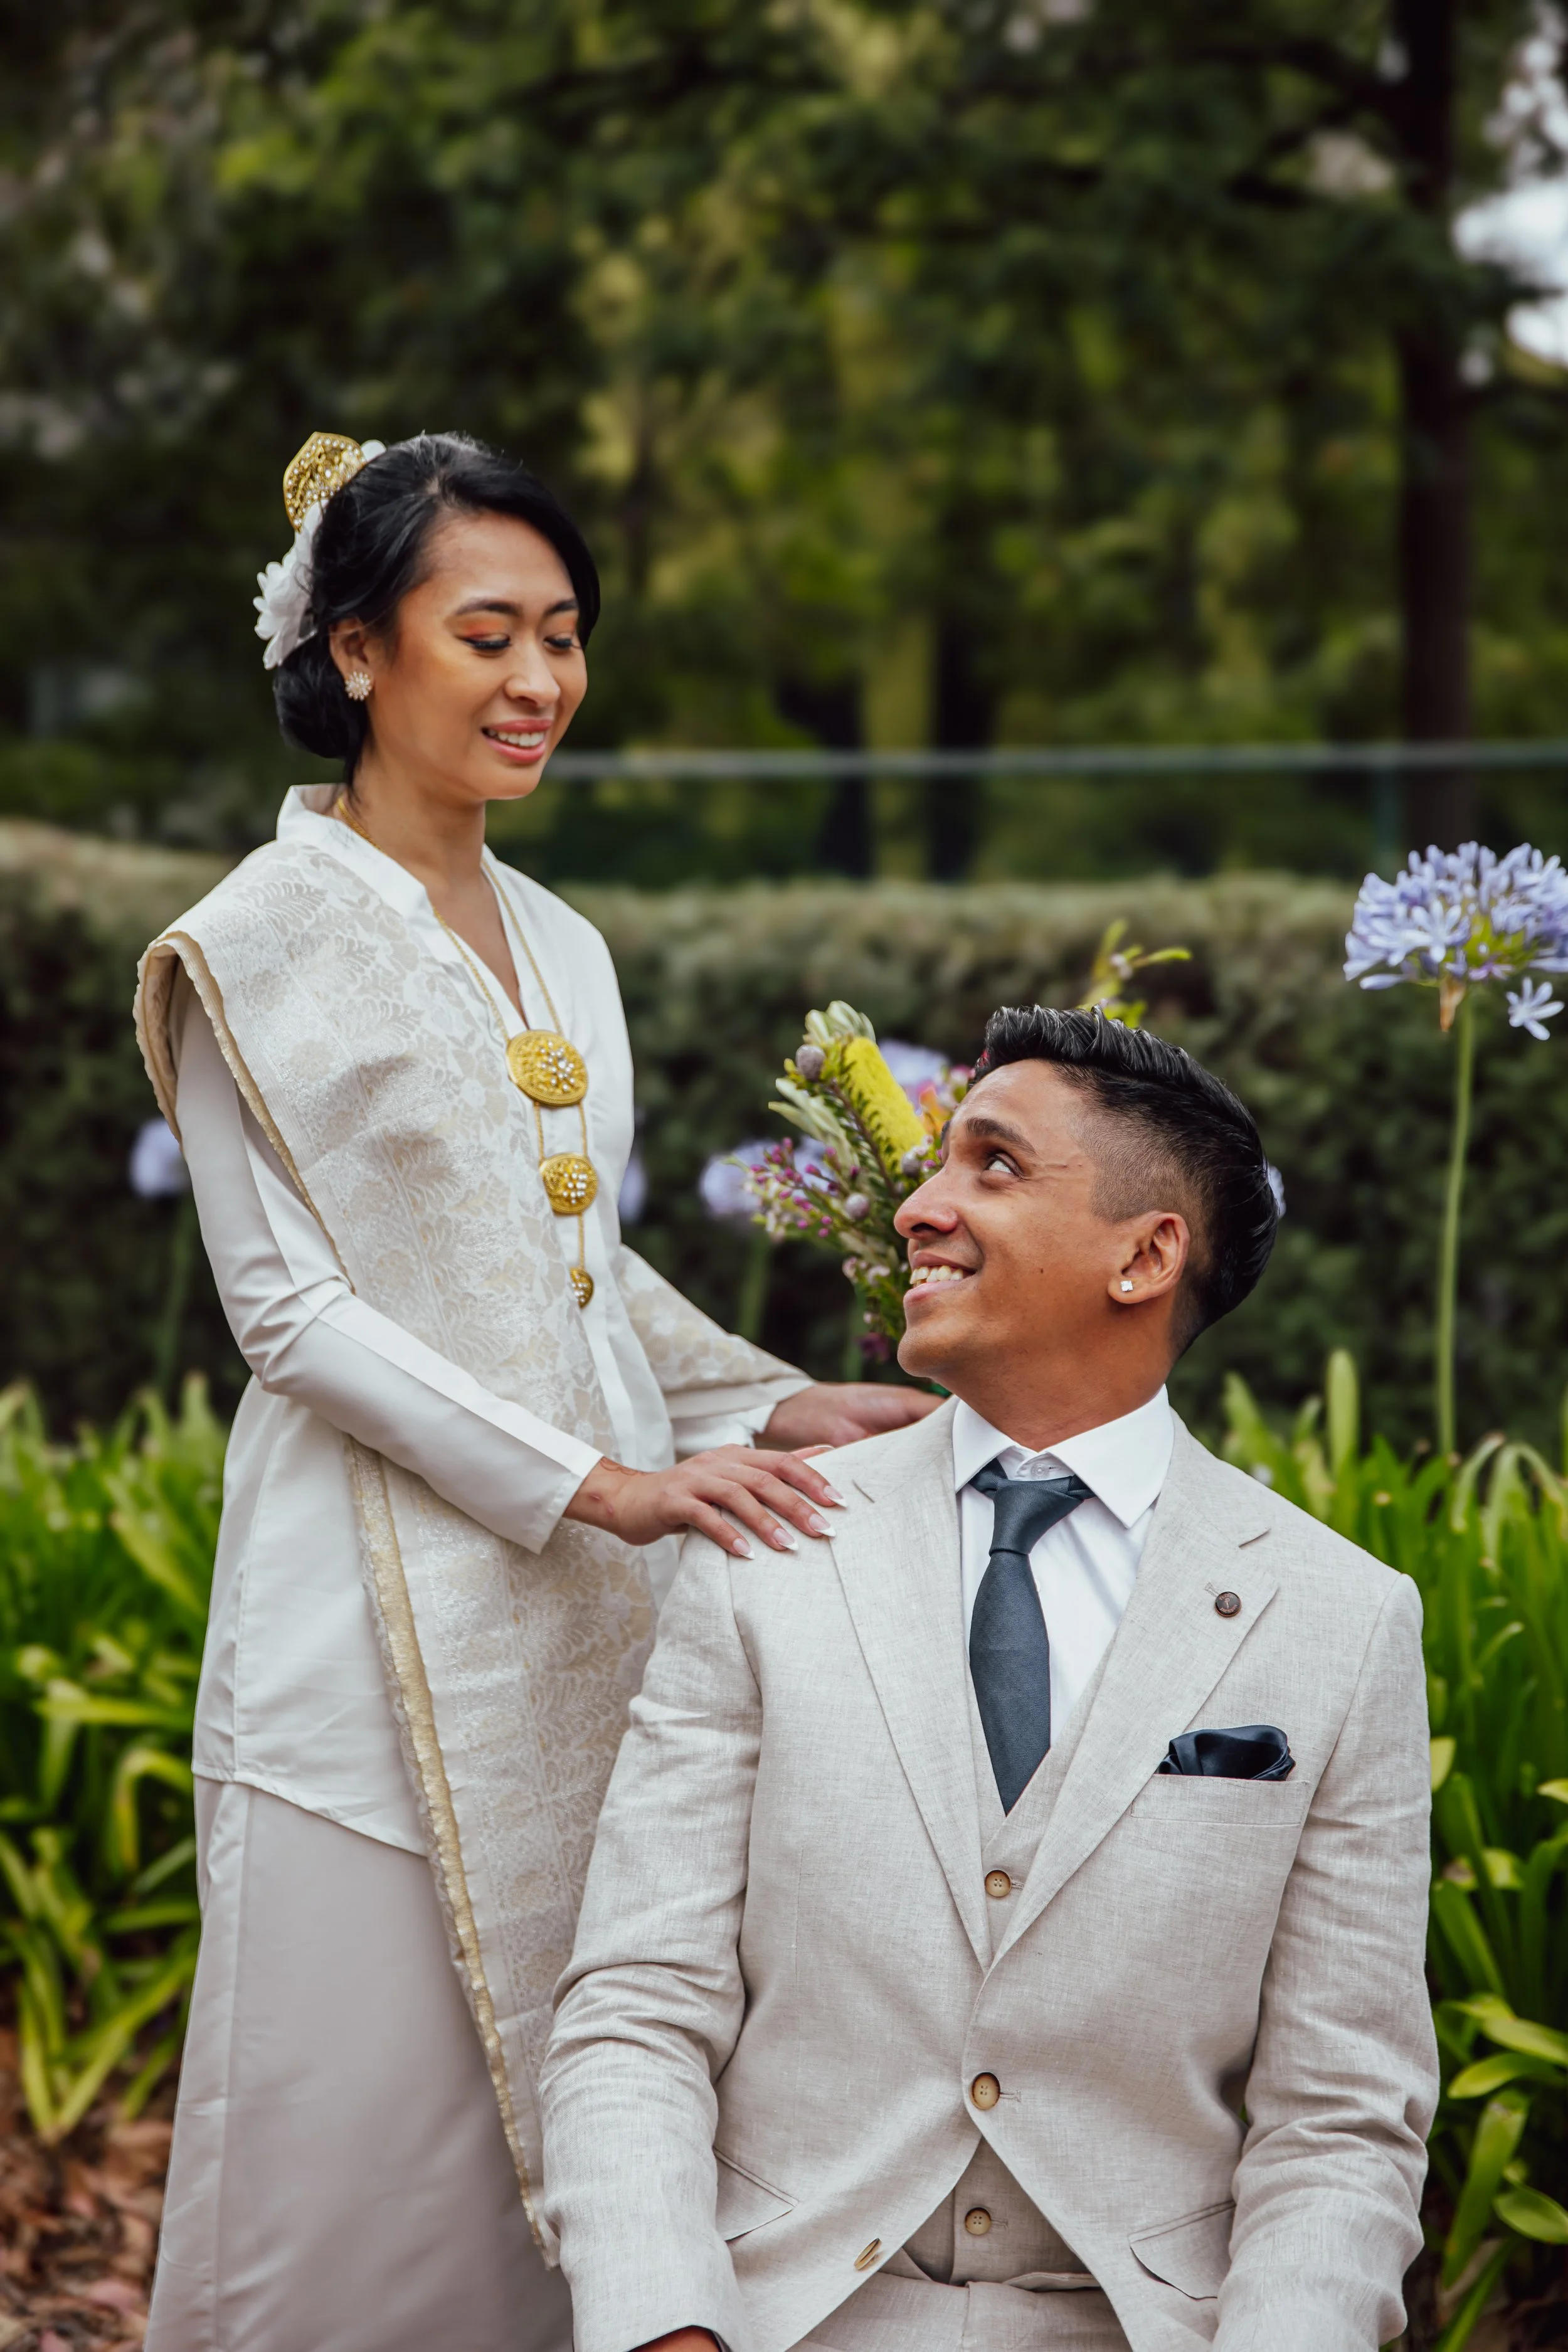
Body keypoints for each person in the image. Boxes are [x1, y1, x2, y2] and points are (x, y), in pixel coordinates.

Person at [132, 428, 935, 2352]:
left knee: (592, 2079)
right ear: (353, 652)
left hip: (581, 1595)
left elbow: (575, 1271)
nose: (538, 680)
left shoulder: (565, 939)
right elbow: (288, 1317)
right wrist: (600, 1482)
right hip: (359, 1606)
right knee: (357, 2102)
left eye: (561, 634)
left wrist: (759, 1406)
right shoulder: (252, 944)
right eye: (484, 633)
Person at [541, 1006, 1438, 2352]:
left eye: (994, 1165)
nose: (917, 1208)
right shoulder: (766, 1547)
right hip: (777, 2317)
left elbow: (1342, 2119)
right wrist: (670, 2328)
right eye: (935, 1164)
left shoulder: (1339, 1618)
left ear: (1145, 1256)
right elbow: (635, 2008)